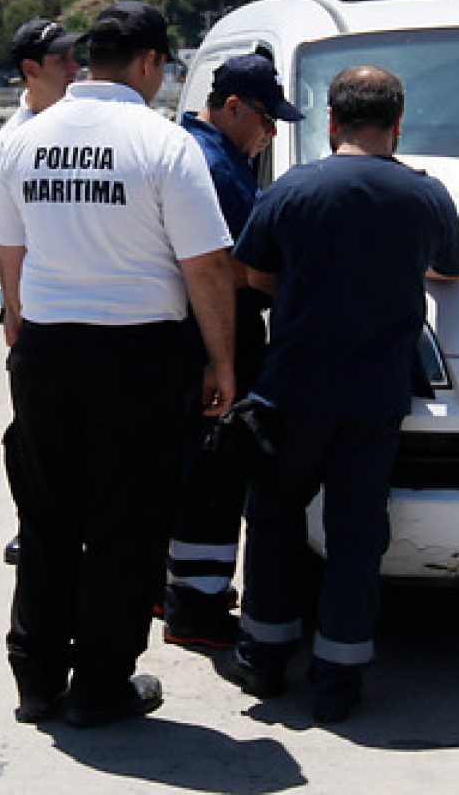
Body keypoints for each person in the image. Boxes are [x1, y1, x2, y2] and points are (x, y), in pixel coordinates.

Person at [0, 0, 236, 728]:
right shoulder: (163, 143)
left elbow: (9, 246)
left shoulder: (26, 139)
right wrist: (221, 360)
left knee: (47, 515)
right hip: (136, 353)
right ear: (150, 62)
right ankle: (100, 683)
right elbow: (206, 266)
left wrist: (18, 320)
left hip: (46, 349)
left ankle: (36, 677)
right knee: (125, 524)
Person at [227, 65, 459, 723]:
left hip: (293, 390)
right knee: (357, 537)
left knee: (274, 520)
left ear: (332, 120)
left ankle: (265, 657)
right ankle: (339, 677)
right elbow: (453, 268)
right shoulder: (424, 194)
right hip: (374, 398)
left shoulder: (292, 188)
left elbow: (253, 272)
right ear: (398, 124)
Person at [164, 53, 304, 650]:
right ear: (232, 107)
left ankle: (179, 590)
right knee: (216, 471)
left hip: (188, 332)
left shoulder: (189, 149)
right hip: (217, 332)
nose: (271, 133)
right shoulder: (217, 167)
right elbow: (231, 266)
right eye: (267, 120)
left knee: (190, 469)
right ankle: (196, 608)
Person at [0, 17, 80, 568]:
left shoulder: (87, 122)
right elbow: (6, 237)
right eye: (62, 60)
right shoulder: (13, 141)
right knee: (32, 427)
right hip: (38, 307)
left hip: (88, 302)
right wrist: (14, 311)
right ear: (30, 69)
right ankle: (34, 525)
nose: (75, 68)